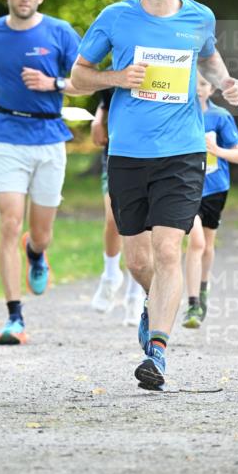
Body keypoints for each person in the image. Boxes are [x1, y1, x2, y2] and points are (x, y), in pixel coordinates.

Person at [71, 0, 238, 390]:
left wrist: (226, 82)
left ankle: (158, 353)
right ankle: (156, 304)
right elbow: (77, 78)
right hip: (128, 154)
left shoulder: (199, 17)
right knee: (138, 260)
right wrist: (117, 78)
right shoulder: (114, 18)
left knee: (169, 249)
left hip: (183, 152)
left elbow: (208, 56)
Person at [0, 0, 81, 345]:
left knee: (41, 233)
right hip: (6, 137)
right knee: (9, 224)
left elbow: (86, 80)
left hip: (49, 139)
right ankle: (14, 318)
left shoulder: (60, 32)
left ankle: (36, 253)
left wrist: (53, 84)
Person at [183, 73, 238, 329]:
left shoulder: (220, 117)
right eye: (194, 83)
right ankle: (192, 304)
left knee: (207, 246)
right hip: (186, 189)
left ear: (211, 89)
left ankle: (203, 287)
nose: (198, 88)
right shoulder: (179, 115)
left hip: (215, 188)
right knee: (196, 242)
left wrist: (216, 150)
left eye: (204, 84)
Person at [90, 89, 146, 323]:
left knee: (144, 227)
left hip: (153, 154)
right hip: (116, 153)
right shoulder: (116, 72)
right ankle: (111, 274)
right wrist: (98, 119)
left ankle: (135, 295)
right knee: (114, 218)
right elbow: (106, 98)